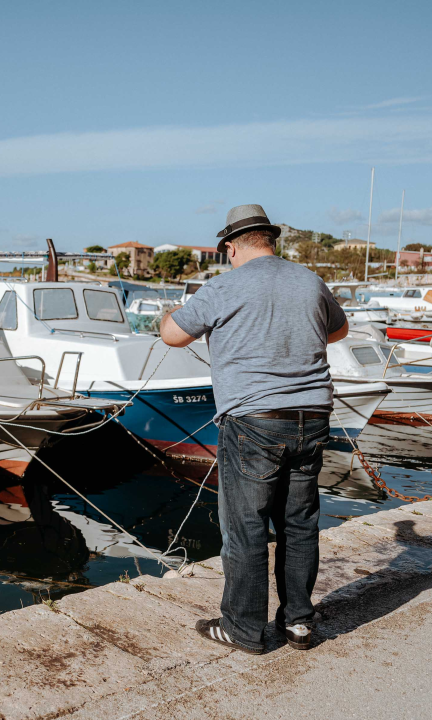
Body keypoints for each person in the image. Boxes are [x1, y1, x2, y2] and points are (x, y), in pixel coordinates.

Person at [159, 204, 349, 654]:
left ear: (230, 247)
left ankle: (244, 630)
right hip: (311, 418)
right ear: (270, 239)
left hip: (254, 421)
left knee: (246, 528)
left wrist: (173, 311)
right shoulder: (309, 280)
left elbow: (172, 334)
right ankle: (299, 622)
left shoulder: (224, 286)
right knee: (299, 524)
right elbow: (338, 332)